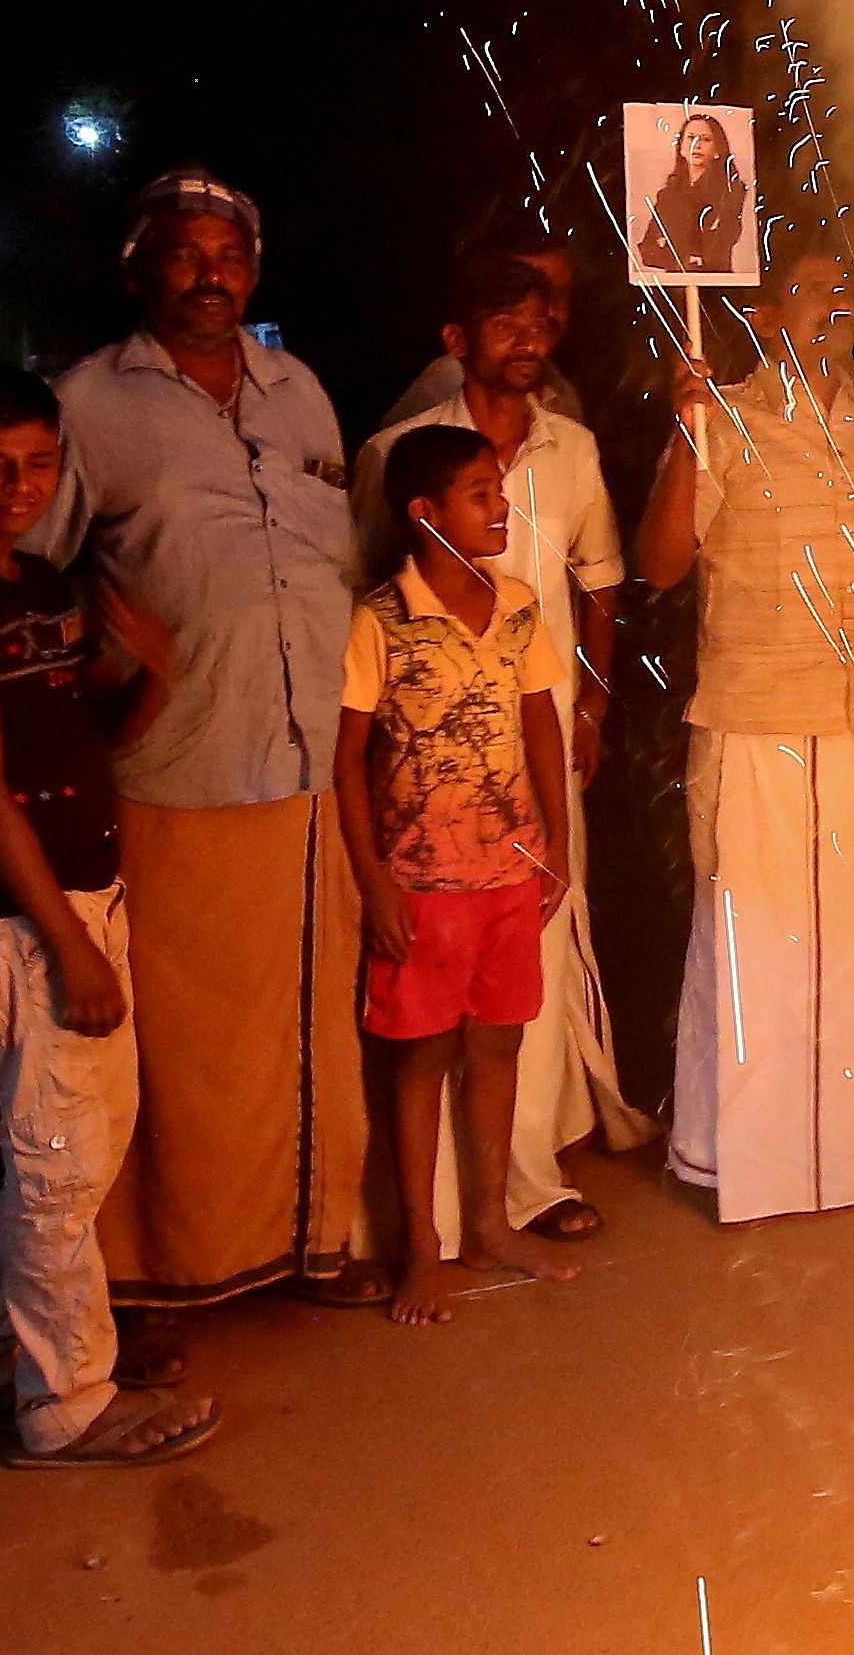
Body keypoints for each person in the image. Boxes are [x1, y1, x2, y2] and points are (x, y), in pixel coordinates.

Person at [30, 167, 383, 1365]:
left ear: (255, 268)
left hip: (307, 768)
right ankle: (155, 1278)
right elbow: (30, 577)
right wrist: (101, 648)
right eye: (182, 254)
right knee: (178, 1050)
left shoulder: (301, 395)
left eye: (227, 254)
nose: (209, 273)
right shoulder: (88, 403)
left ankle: (306, 1241)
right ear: (140, 270)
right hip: (175, 771)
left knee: (306, 1028)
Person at [0, 365, 221, 1467]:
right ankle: (65, 1404)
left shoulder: (38, 588)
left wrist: (157, 680)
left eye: (38, 463)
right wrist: (70, 942)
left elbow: (88, 740)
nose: (17, 485)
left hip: (81, 898)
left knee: (72, 1151)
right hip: (15, 921)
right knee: (56, 1160)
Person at [635, 241, 854, 1222]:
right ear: (766, 317)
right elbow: (662, 565)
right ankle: (742, 1163)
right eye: (813, 292)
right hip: (758, 720)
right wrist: (685, 436)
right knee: (756, 947)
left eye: (847, 292)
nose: (835, 307)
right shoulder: (720, 418)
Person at [355, 253, 651, 1254]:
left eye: (542, 324)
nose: (528, 341)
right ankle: (420, 1220)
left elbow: (601, 580)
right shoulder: (398, 452)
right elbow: (370, 593)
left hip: (539, 734)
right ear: (458, 341)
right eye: (504, 325)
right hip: (427, 779)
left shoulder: (571, 449)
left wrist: (592, 711)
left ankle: (523, 1185)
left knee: (531, 975)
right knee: (427, 998)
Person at [335, 426, 589, 1322]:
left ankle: (488, 1222)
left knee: (497, 1046)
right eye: (482, 495)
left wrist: (553, 838)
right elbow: (348, 761)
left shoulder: (516, 606)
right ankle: (421, 1248)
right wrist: (373, 883)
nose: (502, 509)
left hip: (507, 877)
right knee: (418, 1062)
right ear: (424, 514)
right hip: (421, 883)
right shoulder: (381, 620)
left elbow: (542, 724)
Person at [377, 233, 590, 431]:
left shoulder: (562, 394)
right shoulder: (449, 379)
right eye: (525, 292)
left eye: (559, 295)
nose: (547, 312)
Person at [635, 113, 749, 276]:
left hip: (715, 283)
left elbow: (719, 246)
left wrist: (669, 245)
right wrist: (686, 257)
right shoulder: (667, 195)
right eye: (691, 137)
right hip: (675, 283)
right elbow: (647, 249)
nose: (697, 144)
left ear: (718, 150)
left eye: (705, 139)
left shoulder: (732, 191)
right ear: (680, 148)